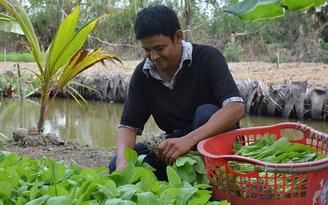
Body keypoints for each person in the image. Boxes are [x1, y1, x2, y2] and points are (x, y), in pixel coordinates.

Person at [109, 5, 245, 181]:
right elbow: (128, 126)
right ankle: (183, 178)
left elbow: (236, 108)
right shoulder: (143, 74)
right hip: (179, 140)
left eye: (159, 48)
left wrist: (189, 141)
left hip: (218, 141)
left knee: (206, 113)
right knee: (118, 165)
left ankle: (214, 178)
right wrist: (122, 161)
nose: (154, 56)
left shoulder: (208, 57)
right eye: (147, 50)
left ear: (178, 37)